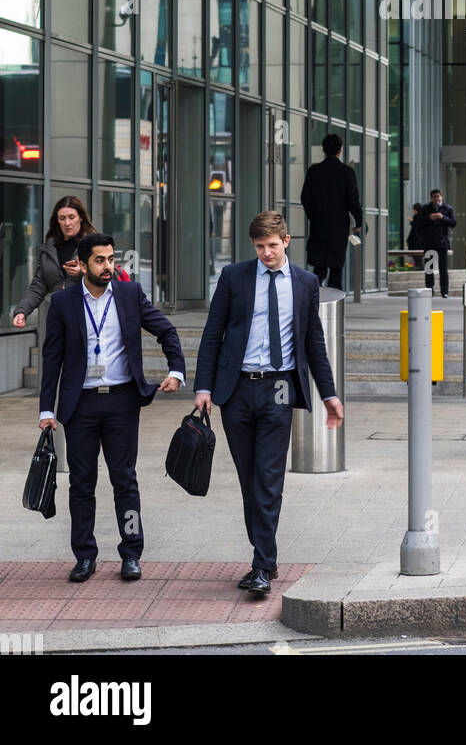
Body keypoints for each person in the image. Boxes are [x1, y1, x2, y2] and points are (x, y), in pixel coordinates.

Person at [193, 211, 343, 598]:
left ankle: (261, 565)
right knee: (249, 479)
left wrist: (329, 394)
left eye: (272, 246)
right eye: (259, 247)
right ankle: (266, 556)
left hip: (279, 387)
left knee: (269, 479)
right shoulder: (234, 278)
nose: (266, 254)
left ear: (287, 241)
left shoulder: (306, 283)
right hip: (237, 389)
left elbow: (314, 343)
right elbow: (213, 334)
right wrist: (203, 387)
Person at [38, 234, 185, 583]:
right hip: (81, 405)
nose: (109, 266)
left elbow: (166, 330)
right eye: (101, 260)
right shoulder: (63, 302)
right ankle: (84, 555)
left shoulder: (130, 294)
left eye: (111, 259)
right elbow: (51, 359)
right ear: (84, 263)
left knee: (124, 479)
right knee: (81, 483)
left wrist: (176, 370)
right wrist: (47, 409)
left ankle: (131, 551)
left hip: (122, 401)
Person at [12, 196, 94, 328]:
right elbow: (39, 285)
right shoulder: (49, 248)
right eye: (62, 218)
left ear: (81, 218)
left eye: (71, 217)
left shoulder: (94, 245)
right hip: (57, 319)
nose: (67, 223)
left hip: (87, 319)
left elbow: (108, 278)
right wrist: (22, 311)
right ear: (57, 221)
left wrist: (83, 273)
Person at [300, 134, 363, 288]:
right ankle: (335, 304)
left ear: (323, 149)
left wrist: (313, 216)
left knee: (319, 267)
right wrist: (358, 222)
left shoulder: (314, 171)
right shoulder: (347, 171)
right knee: (336, 267)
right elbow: (353, 200)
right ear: (340, 151)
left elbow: (305, 198)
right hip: (339, 225)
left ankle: (311, 297)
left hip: (319, 225)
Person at [416, 189, 457, 298]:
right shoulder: (426, 209)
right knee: (429, 268)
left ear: (441, 197)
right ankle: (429, 289)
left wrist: (442, 217)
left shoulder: (448, 209)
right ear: (431, 198)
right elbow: (418, 223)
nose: (436, 199)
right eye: (434, 197)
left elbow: (453, 223)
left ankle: (444, 291)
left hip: (442, 243)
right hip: (429, 242)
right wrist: (430, 217)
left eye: (438, 197)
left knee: (443, 268)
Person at [407, 202, 424, 269]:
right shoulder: (417, 216)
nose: (413, 211)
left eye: (414, 209)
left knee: (418, 258)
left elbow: (416, 227)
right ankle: (419, 269)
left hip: (417, 242)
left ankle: (420, 270)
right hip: (415, 241)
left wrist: (412, 221)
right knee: (416, 258)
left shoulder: (420, 217)